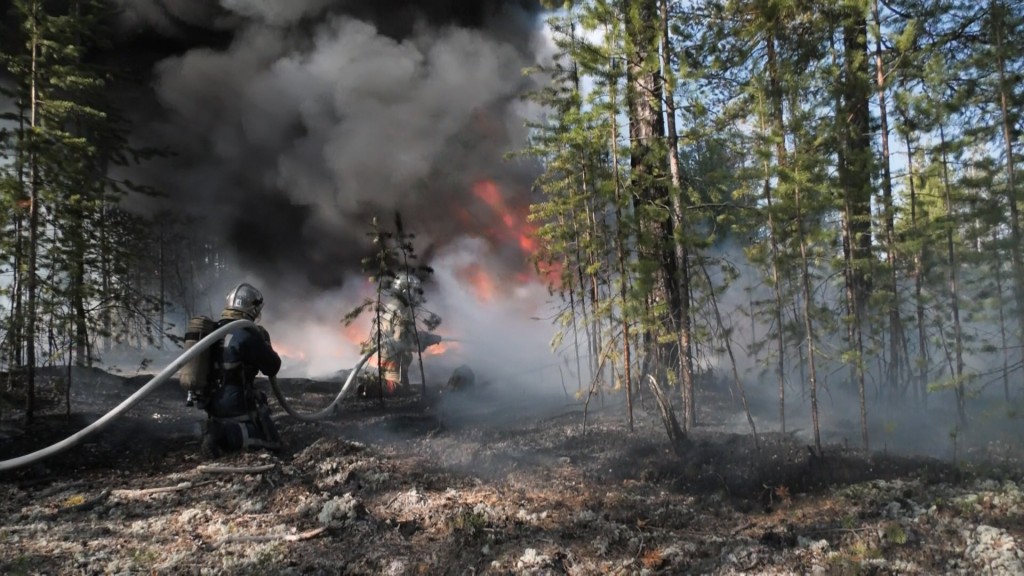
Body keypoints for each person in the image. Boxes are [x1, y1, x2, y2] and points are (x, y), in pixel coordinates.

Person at [200, 282, 283, 458]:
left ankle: (216, 426)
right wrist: (265, 343)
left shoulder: (215, 330)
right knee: (272, 442)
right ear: (250, 309)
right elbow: (272, 367)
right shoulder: (247, 334)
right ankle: (226, 433)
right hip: (234, 403)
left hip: (212, 402)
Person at [374, 273, 442, 396]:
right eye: (413, 291)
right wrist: (423, 341)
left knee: (401, 390)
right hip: (392, 357)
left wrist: (424, 337)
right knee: (397, 391)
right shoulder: (402, 310)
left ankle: (382, 385)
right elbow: (401, 341)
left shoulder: (393, 305)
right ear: (405, 290)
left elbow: (405, 334)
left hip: (387, 354)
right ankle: (378, 387)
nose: (416, 294)